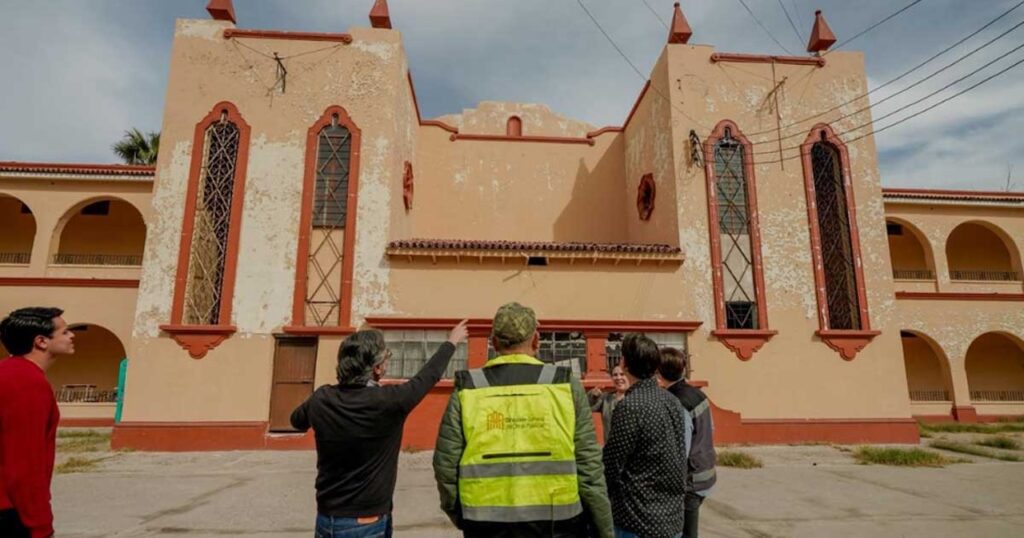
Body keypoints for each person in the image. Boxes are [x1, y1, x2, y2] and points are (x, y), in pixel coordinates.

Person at [433, 302, 613, 538]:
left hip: (484, 521)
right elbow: (589, 464)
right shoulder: (564, 384)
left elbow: (445, 464)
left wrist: (459, 513)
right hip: (557, 521)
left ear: (494, 343)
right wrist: (603, 527)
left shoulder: (469, 388)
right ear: (536, 341)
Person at [290, 319, 469, 538]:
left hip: (327, 518)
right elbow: (427, 377)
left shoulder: (322, 398)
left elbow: (296, 421)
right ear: (376, 368)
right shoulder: (388, 402)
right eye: (386, 358)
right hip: (367, 521)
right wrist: (451, 342)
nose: (387, 362)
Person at [0, 307, 76, 538]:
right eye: (64, 332)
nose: (72, 335)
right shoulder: (27, 383)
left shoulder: (8, 371)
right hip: (10, 511)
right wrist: (40, 525)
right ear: (41, 341)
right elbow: (24, 461)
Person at [603, 333, 687, 538]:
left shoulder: (630, 406)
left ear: (623, 363)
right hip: (671, 516)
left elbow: (612, 464)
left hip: (638, 518)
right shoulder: (671, 400)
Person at [658, 347, 716, 538]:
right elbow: (711, 430)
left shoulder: (677, 401)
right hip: (705, 472)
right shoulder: (697, 394)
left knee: (686, 533)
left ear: (659, 372)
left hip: (690, 481)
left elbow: (680, 449)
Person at [587, 365, 629, 443]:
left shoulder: (636, 397)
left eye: (622, 374)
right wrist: (593, 396)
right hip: (611, 448)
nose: (618, 378)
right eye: (615, 375)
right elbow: (588, 408)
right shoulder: (606, 399)